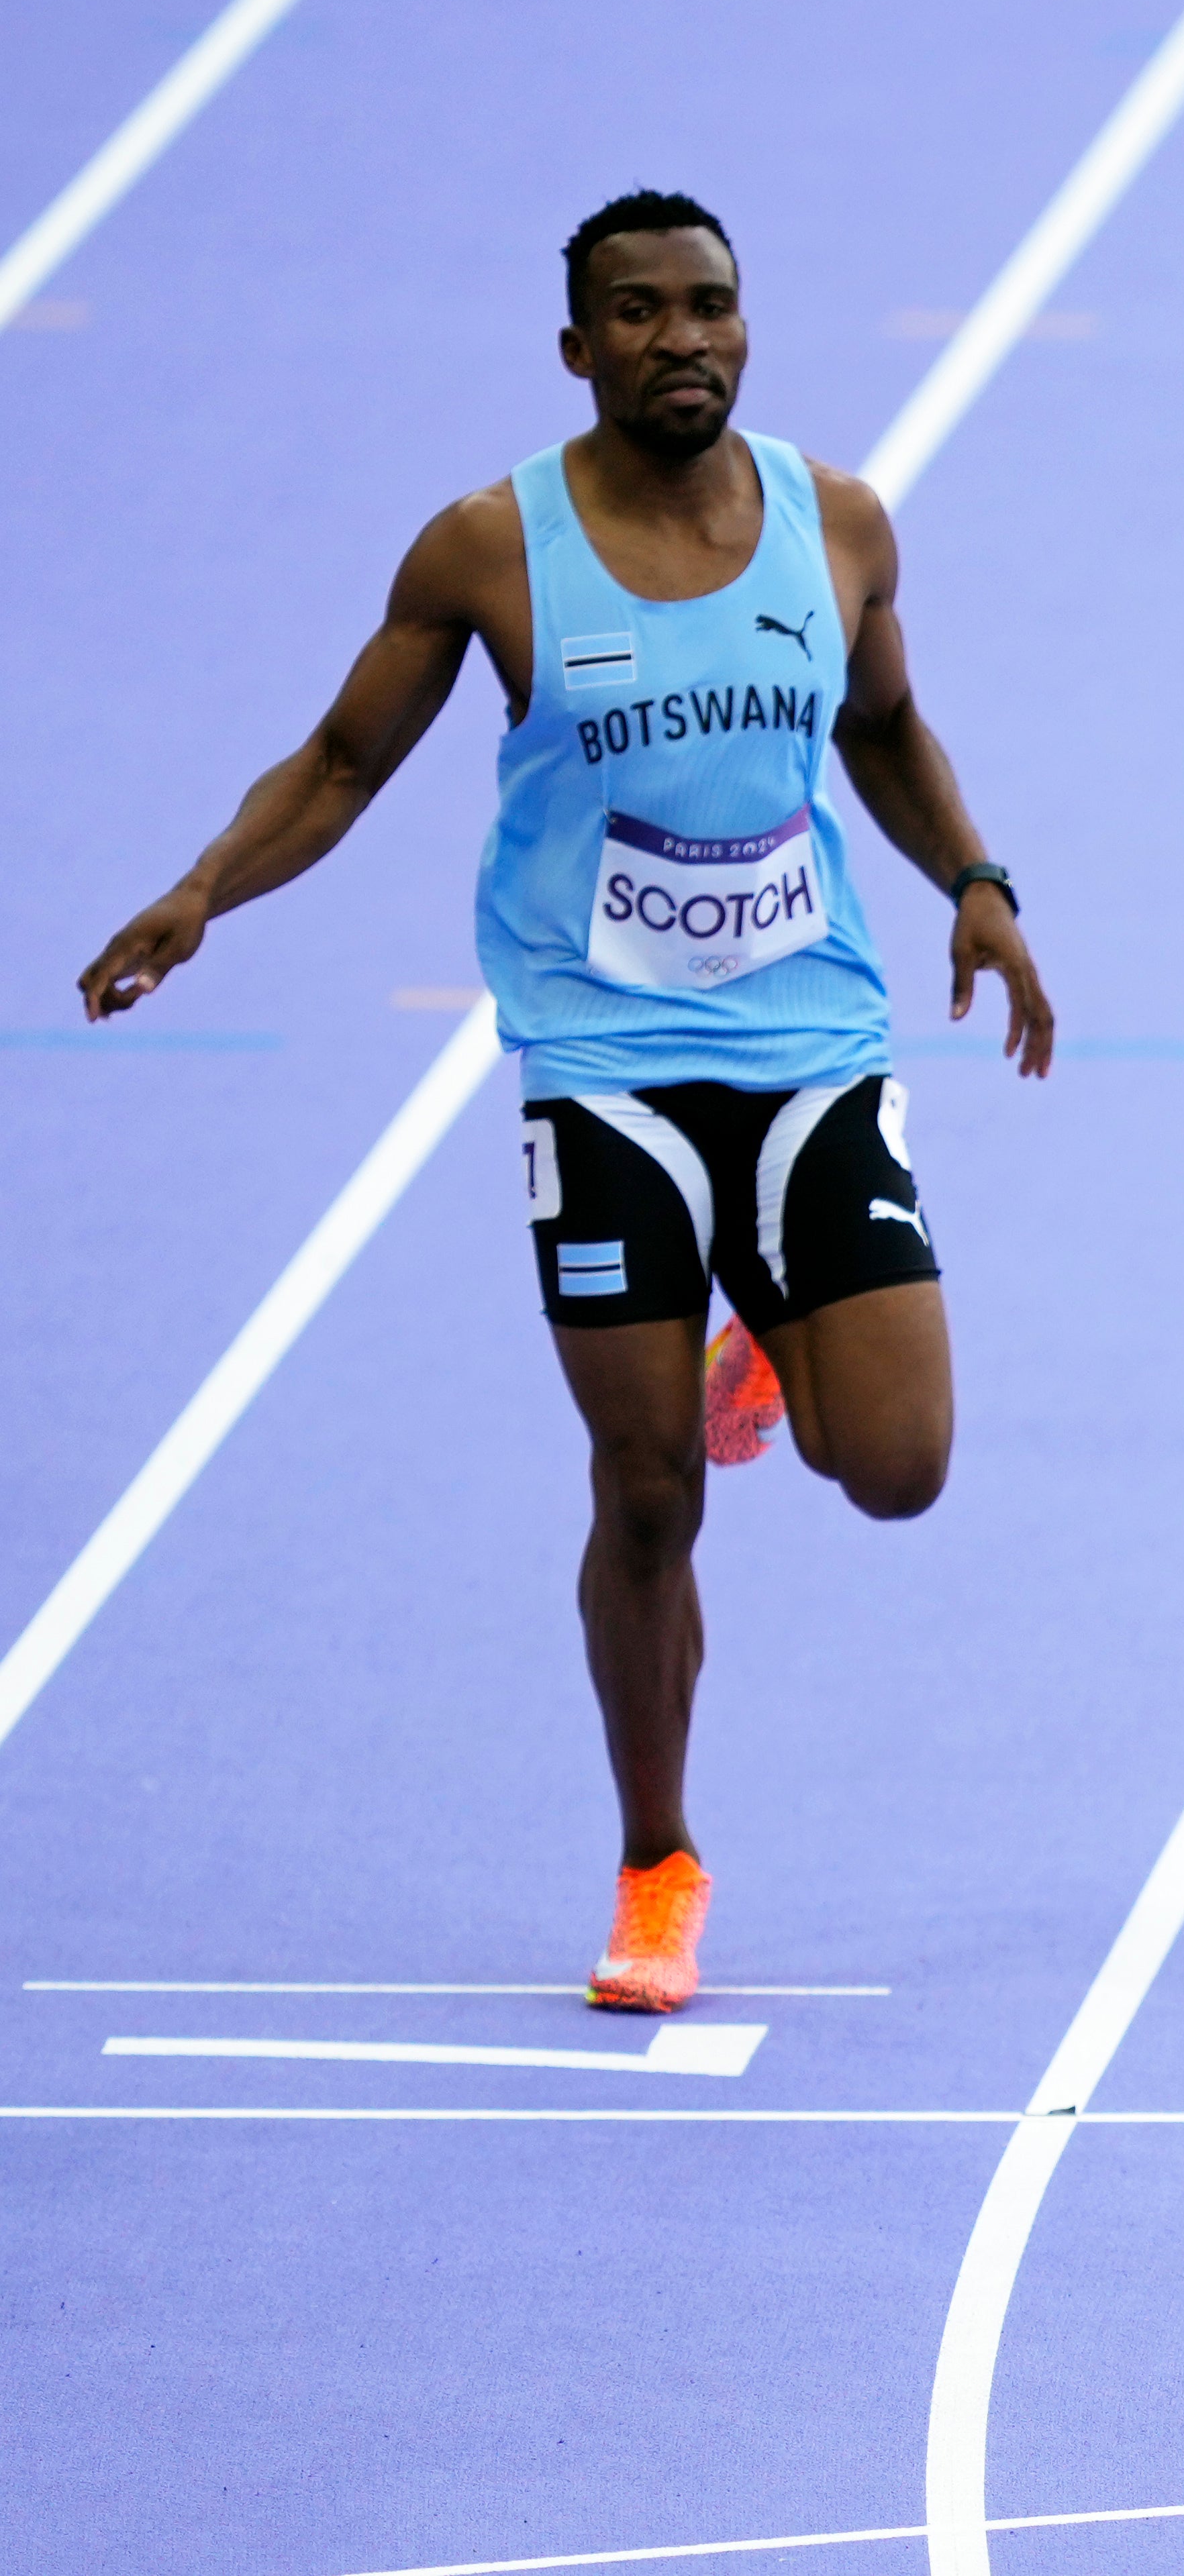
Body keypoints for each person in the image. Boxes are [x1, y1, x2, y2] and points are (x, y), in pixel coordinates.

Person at [77, 191, 1052, 2006]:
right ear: (578, 346)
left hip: (810, 1049)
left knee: (898, 1471)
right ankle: (658, 1863)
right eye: (639, 313)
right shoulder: (489, 550)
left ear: (744, 325)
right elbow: (345, 758)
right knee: (647, 1492)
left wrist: (982, 888)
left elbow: (884, 729)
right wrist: (205, 888)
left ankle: (766, 1333)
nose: (682, 338)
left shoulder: (835, 522)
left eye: (710, 307)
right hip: (604, 1075)